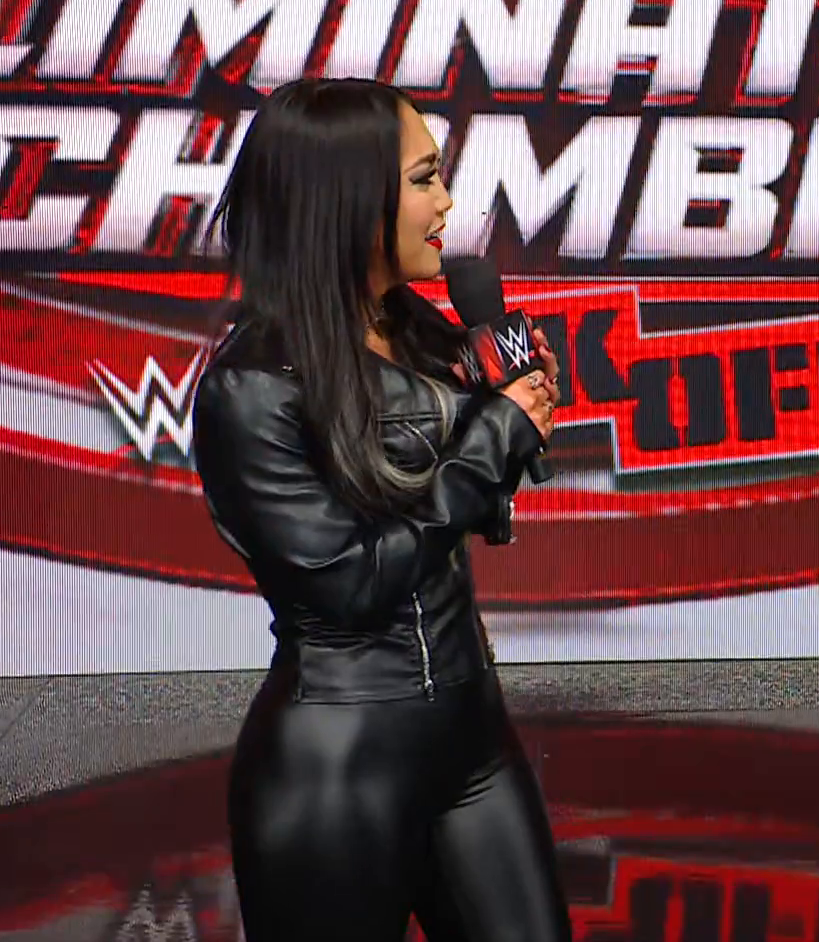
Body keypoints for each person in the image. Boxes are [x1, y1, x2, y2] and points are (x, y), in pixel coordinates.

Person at [191, 77, 571, 941]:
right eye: (424, 179)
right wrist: (489, 439)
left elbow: (456, 516)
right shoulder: (252, 389)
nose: (448, 201)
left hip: (474, 743)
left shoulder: (419, 333)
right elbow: (351, 585)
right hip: (338, 769)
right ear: (349, 201)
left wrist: (513, 413)